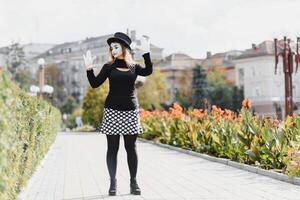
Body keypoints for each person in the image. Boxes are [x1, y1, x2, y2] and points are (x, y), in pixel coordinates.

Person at [83, 32, 152, 196]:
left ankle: (133, 182)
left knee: (131, 148)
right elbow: (94, 83)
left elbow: (148, 70)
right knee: (112, 149)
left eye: (116, 47)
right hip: (112, 111)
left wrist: (146, 53)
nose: (113, 50)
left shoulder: (134, 66)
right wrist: (89, 68)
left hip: (130, 111)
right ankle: (112, 183)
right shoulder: (109, 67)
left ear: (124, 48)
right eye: (111, 47)